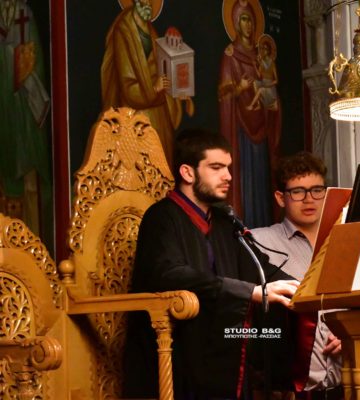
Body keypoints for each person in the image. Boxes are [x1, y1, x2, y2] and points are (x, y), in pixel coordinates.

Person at [122, 129, 302, 399]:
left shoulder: (224, 221)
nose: (228, 176)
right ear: (188, 172)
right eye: (216, 168)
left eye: (228, 167)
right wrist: (249, 292)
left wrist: (305, 288)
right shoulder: (160, 217)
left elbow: (262, 269)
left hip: (220, 342)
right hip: (176, 349)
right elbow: (169, 274)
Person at [252, 152, 344, 400]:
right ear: (280, 198)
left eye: (317, 190)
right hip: (290, 389)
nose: (309, 199)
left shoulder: (345, 240)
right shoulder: (258, 241)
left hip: (351, 382)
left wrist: (352, 333)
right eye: (298, 192)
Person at [101, 0, 194, 167]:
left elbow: (160, 67)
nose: (149, 2)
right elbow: (127, 84)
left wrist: (177, 89)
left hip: (158, 115)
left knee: (162, 166)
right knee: (141, 169)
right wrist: (154, 88)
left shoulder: (150, 30)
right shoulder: (124, 31)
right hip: (136, 117)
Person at [219, 0, 281, 228]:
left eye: (251, 20)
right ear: (236, 23)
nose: (248, 25)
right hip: (241, 133)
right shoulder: (230, 55)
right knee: (245, 177)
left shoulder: (261, 55)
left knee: (262, 179)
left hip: (261, 127)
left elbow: (271, 85)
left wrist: (273, 103)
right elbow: (224, 93)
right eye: (243, 19)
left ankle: (264, 226)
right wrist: (240, 88)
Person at [0, 0, 52, 236]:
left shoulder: (25, 13)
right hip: (4, 108)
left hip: (24, 111)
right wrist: (13, 60)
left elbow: (35, 58)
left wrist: (25, 64)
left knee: (30, 179)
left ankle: (33, 239)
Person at [247, 34, 278, 111]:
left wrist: (268, 85)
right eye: (263, 49)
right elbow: (259, 76)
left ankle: (251, 105)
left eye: (265, 49)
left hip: (270, 88)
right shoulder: (261, 63)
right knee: (255, 82)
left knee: (260, 90)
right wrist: (255, 66)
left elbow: (276, 80)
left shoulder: (272, 63)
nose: (264, 51)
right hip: (263, 83)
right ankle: (258, 104)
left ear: (269, 50)